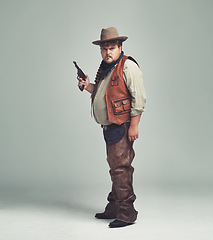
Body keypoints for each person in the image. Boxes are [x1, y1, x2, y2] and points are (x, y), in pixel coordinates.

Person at [77, 27, 146, 228]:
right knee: (116, 168)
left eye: (112, 48)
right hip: (110, 128)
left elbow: (139, 98)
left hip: (121, 127)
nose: (108, 52)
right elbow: (105, 94)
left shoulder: (127, 66)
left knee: (121, 169)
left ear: (120, 47)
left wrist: (134, 125)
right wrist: (88, 86)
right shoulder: (107, 68)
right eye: (104, 48)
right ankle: (115, 207)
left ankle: (126, 212)